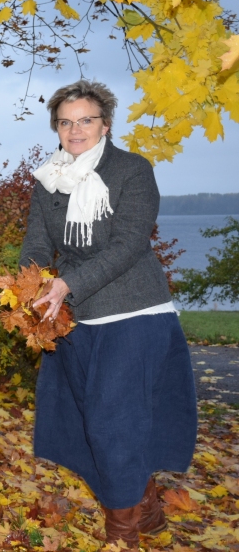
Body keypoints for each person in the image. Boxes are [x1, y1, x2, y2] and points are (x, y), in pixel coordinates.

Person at [20, 80, 197, 548]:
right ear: (56, 128)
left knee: (113, 424)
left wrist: (67, 283)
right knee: (85, 420)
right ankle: (147, 508)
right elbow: (37, 242)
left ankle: (122, 534)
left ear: (106, 124)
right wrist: (29, 285)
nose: (75, 130)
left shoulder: (132, 169)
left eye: (86, 120)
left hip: (134, 313)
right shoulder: (49, 178)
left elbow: (129, 244)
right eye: (65, 122)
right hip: (74, 318)